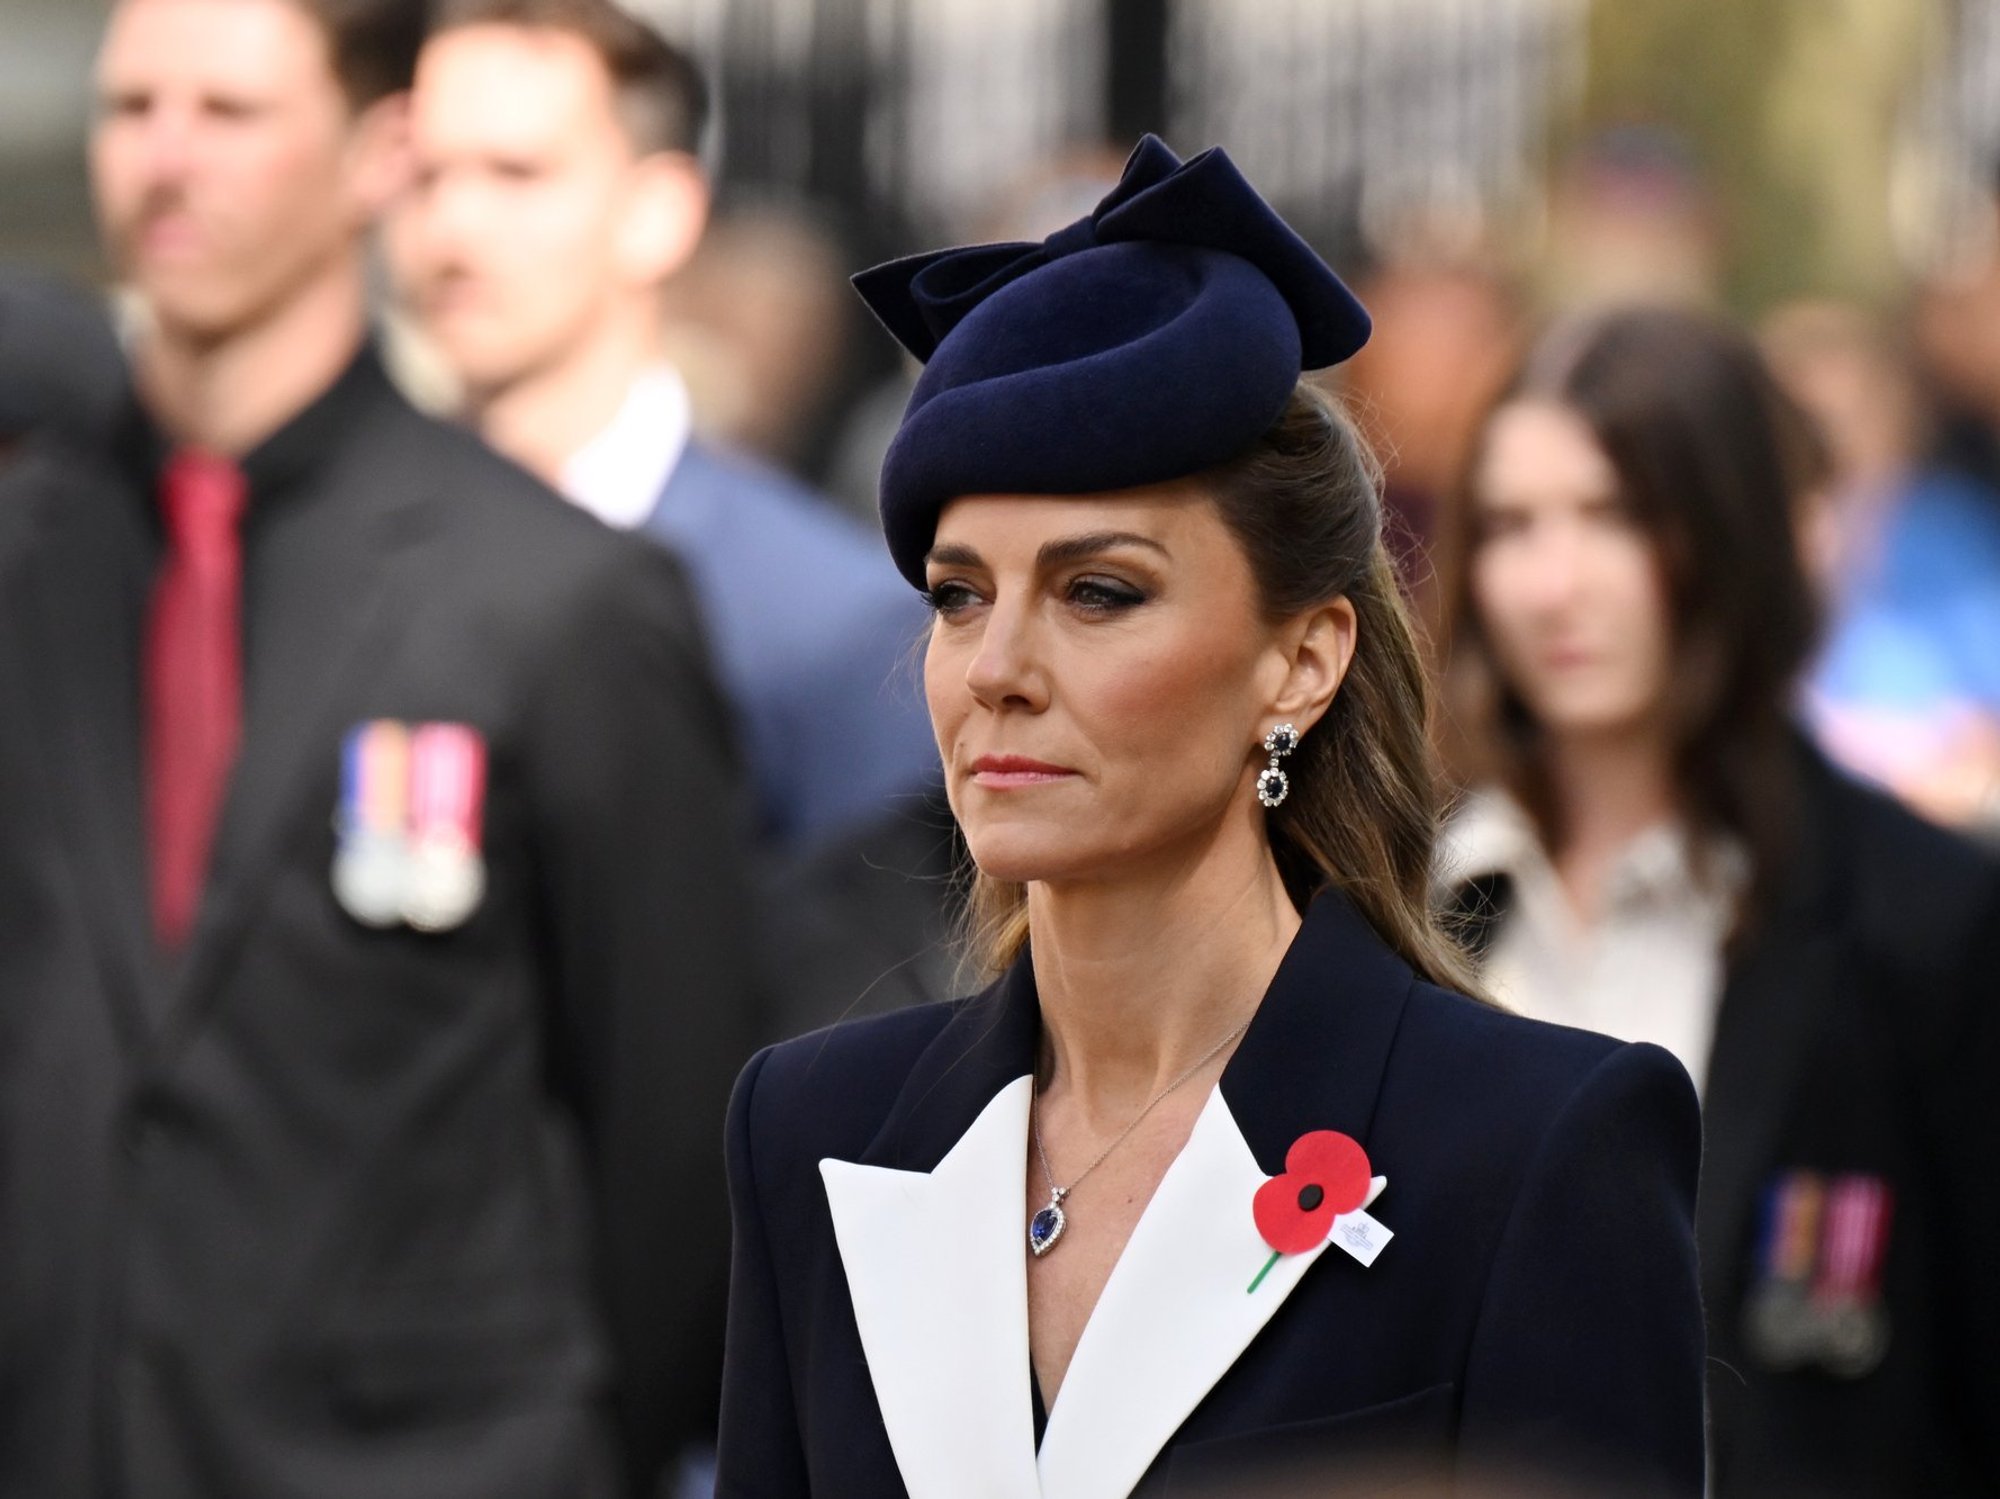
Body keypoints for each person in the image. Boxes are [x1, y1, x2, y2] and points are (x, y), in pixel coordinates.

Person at [715, 137, 1706, 1498]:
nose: (996, 663)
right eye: (958, 594)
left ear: (1302, 658)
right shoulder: (812, 1122)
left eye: (1098, 591)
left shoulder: (1537, 1140)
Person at [0, 0, 761, 1494]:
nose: (165, 160)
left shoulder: (556, 598)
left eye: (229, 113)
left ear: (377, 151)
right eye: (131, 109)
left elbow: (672, 1143)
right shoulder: (29, 572)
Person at [1435, 307, 2000, 1496]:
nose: (1552, 583)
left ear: (1737, 529)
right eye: (1509, 525)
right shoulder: (1393, 901)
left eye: (1616, 516)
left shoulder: (1926, 920)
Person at [386, 0, 938, 854]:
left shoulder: (819, 620)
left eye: (516, 173)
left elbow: (876, 969)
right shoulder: (339, 561)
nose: (450, 230)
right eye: (422, 177)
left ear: (660, 211)